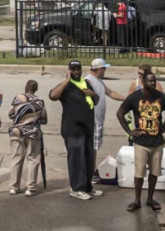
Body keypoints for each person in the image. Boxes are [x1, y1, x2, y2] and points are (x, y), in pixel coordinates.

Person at [117, 71, 165, 212]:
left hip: (157, 141)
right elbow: (120, 113)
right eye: (150, 81)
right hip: (141, 142)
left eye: (154, 81)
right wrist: (129, 131)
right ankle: (137, 200)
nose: (153, 83)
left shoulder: (161, 97)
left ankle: (150, 198)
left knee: (154, 172)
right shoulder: (135, 97)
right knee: (139, 173)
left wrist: (164, 127)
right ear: (143, 81)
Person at [49, 60, 101, 200]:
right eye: (74, 69)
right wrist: (67, 80)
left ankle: (87, 186)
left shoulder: (86, 83)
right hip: (73, 129)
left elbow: (96, 101)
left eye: (78, 69)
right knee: (77, 159)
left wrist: (93, 94)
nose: (76, 72)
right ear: (69, 70)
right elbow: (53, 96)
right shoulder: (66, 86)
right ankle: (76, 188)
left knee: (89, 159)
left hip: (87, 128)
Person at [85, 58, 125, 183]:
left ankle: (92, 170)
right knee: (91, 148)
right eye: (104, 68)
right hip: (92, 120)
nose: (105, 70)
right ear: (99, 69)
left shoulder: (99, 81)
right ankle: (91, 172)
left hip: (98, 120)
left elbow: (111, 93)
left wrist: (127, 99)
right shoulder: (88, 81)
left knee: (95, 148)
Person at [8, 79, 47, 196]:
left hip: (17, 132)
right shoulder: (40, 102)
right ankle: (30, 188)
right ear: (36, 89)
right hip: (33, 133)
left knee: (16, 158)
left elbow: (11, 114)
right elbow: (44, 120)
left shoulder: (17, 98)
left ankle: (14, 187)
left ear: (26, 87)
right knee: (33, 159)